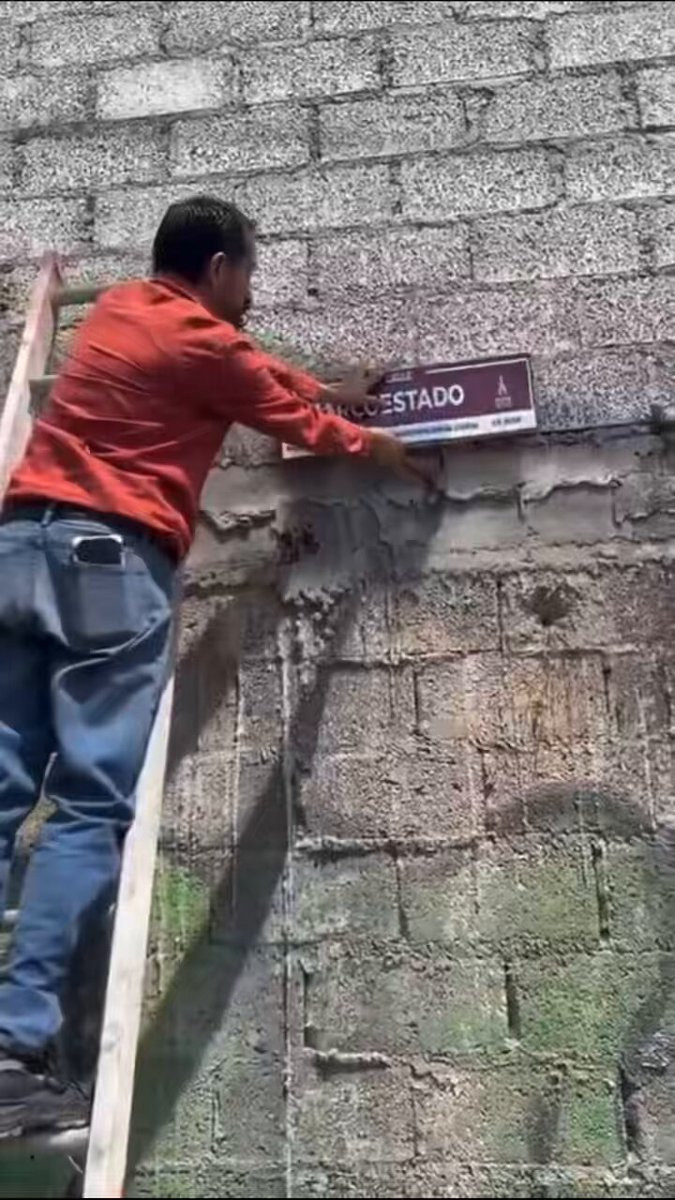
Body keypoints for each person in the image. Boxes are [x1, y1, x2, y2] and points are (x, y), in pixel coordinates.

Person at [0, 195, 431, 1136]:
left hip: (18, 552)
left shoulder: (119, 310)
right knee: (89, 808)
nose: (251, 295)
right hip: (108, 566)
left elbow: (256, 371)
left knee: (1, 791)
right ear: (220, 267)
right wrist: (376, 442)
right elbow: (276, 405)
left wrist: (327, 385)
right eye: (248, 276)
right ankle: (13, 1051)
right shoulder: (207, 342)